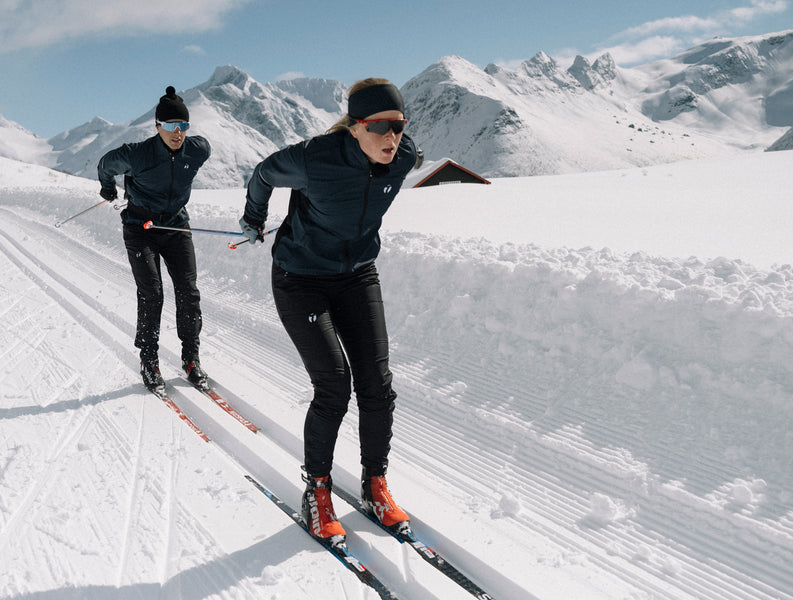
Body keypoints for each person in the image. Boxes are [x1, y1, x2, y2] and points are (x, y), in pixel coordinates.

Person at [240, 78, 418, 543]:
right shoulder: (316, 158)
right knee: (335, 384)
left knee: (377, 383)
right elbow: (262, 173)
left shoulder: (402, 158)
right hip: (301, 278)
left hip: (357, 273)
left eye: (398, 126)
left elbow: (398, 151)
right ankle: (317, 491)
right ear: (356, 128)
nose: (391, 137)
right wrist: (254, 219)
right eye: (380, 127)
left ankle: (375, 484)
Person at [97, 86, 211, 391]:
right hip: (140, 227)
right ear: (158, 126)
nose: (178, 133)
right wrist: (107, 188)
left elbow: (202, 147)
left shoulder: (197, 150)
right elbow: (106, 165)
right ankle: (149, 361)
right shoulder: (138, 154)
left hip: (175, 226)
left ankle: (192, 359)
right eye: (172, 126)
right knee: (152, 292)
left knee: (188, 290)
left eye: (183, 126)